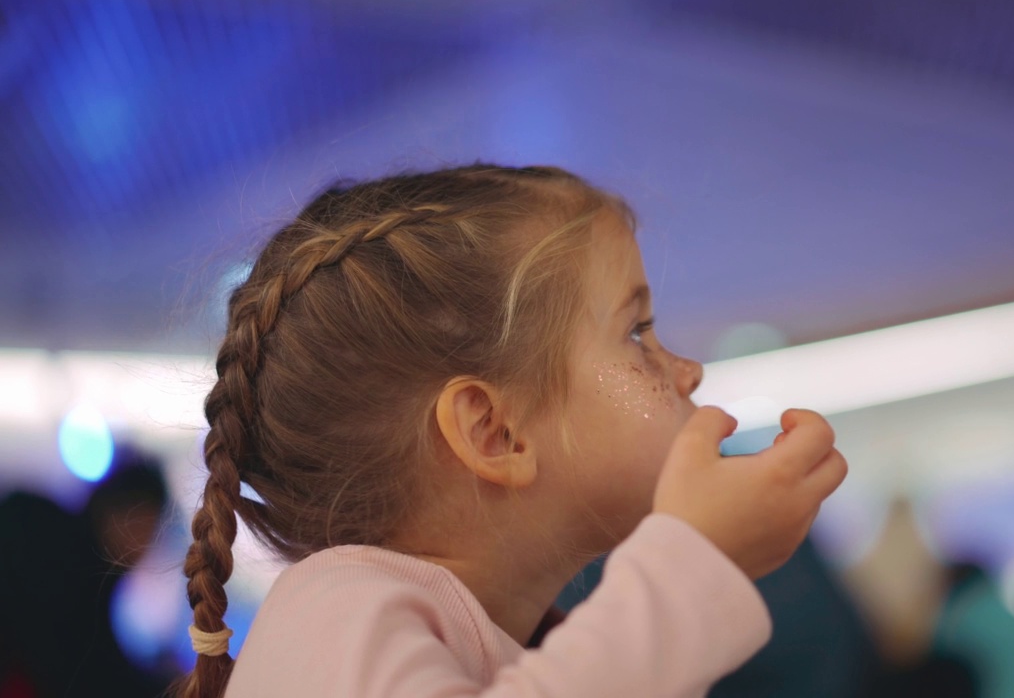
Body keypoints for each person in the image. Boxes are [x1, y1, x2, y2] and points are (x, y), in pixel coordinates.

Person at [176, 165, 847, 697]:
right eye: (637, 332)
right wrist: (698, 562)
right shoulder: (332, 605)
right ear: (495, 432)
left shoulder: (535, 651)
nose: (689, 371)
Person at [0, 452, 172, 698]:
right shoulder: (58, 553)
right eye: (141, 524)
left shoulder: (93, 577)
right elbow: (81, 668)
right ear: (113, 509)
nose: (142, 544)